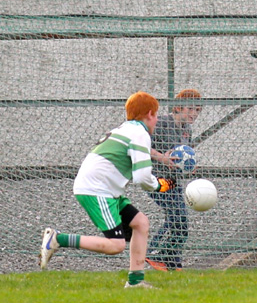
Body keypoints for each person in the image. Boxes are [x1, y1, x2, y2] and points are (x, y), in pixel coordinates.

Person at [39, 91, 176, 289]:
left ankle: (136, 283)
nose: (156, 121)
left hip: (106, 189)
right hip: (97, 189)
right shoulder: (139, 133)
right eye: (156, 115)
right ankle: (58, 239)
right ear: (149, 114)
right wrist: (161, 185)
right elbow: (142, 177)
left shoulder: (128, 129)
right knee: (116, 245)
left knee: (141, 223)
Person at [146, 89, 202, 272]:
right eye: (191, 109)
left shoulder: (187, 130)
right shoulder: (161, 123)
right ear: (178, 107)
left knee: (178, 218)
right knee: (178, 217)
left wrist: (188, 166)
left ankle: (172, 262)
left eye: (198, 110)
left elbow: (183, 154)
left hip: (174, 181)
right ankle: (155, 253)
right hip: (156, 179)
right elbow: (141, 147)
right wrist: (162, 158)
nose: (194, 114)